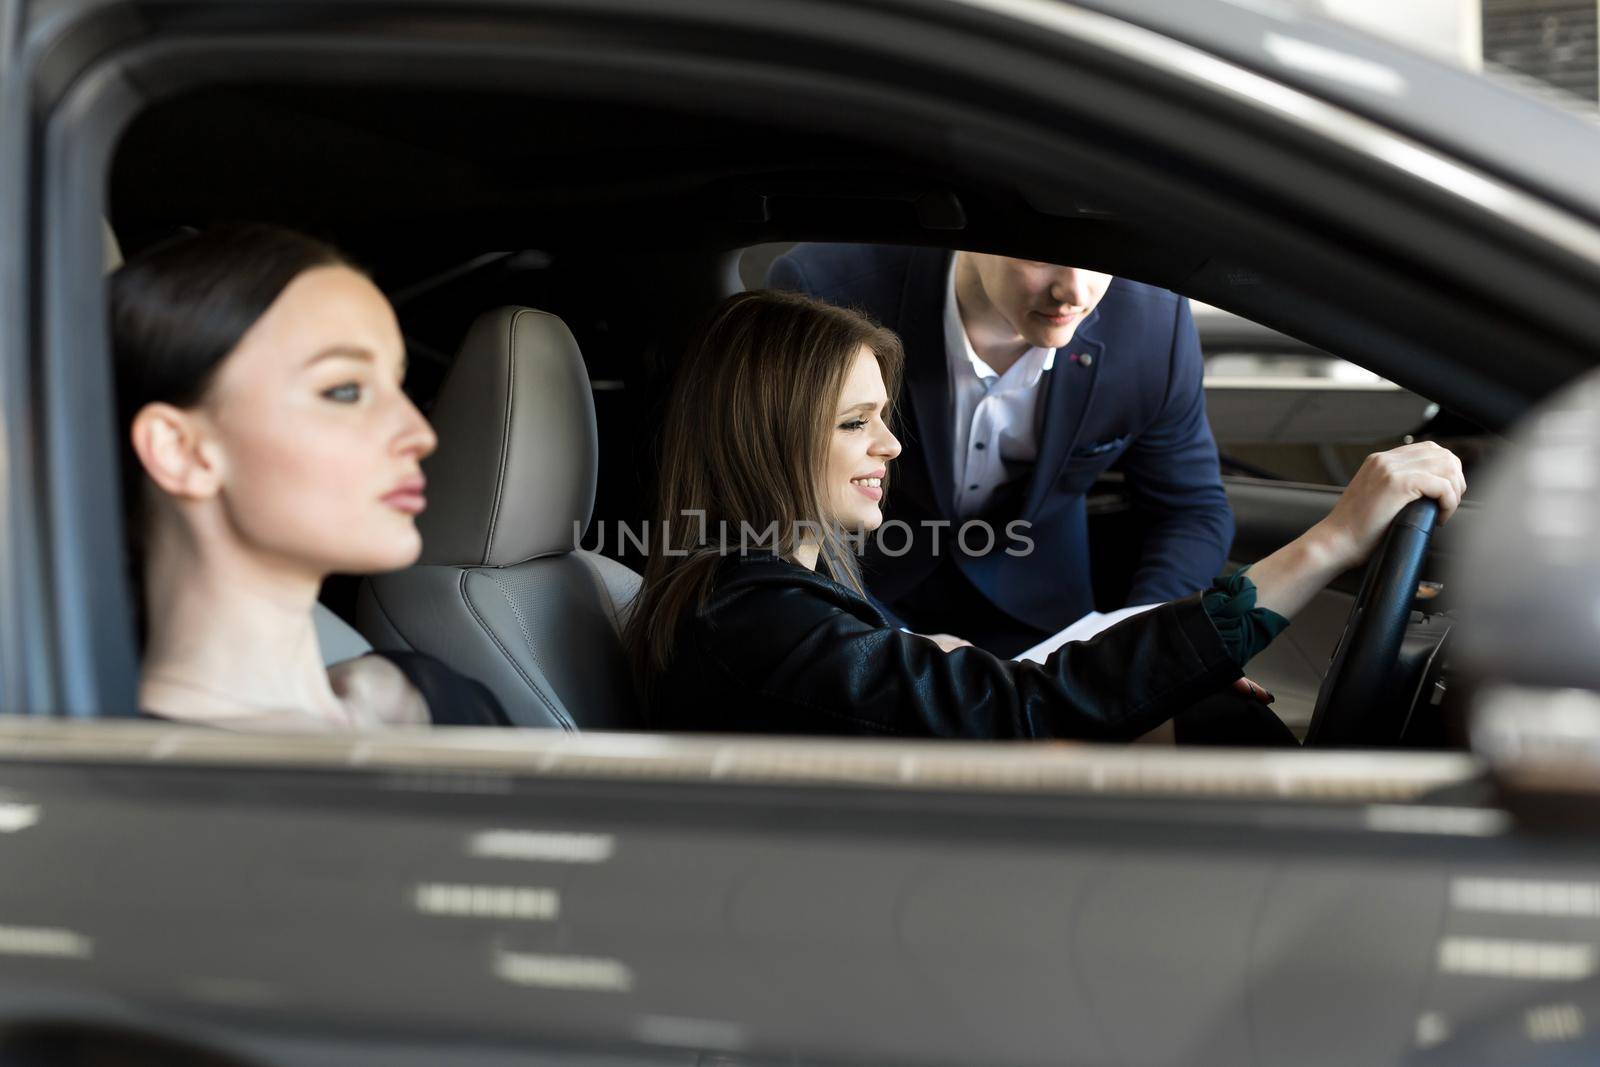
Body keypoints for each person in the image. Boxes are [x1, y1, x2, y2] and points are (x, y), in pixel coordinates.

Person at [627, 289, 1465, 742]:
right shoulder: (752, 613)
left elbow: (937, 691)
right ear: (762, 436)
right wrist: (1331, 543)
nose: (890, 446)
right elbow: (1023, 712)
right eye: (855, 423)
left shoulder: (767, 595)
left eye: (883, 416)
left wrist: (934, 655)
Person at [113, 223, 506, 729]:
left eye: (399, 384)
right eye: (345, 391)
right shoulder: (124, 789)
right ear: (181, 452)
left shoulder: (437, 704)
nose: (420, 433)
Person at [768, 244, 1232, 656]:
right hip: (858, 597)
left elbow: (1191, 509)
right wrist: (888, 643)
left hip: (1047, 622)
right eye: (1042, 255)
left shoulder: (1152, 324)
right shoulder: (826, 289)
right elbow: (783, 505)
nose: (1075, 292)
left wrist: (1143, 639)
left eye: (1102, 259)